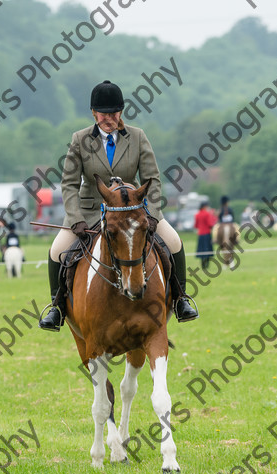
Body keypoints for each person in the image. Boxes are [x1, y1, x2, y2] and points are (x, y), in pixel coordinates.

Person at [38, 80, 198, 331]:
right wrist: (75, 217)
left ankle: (180, 300)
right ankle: (57, 307)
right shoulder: (80, 139)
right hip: (90, 211)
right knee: (57, 251)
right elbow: (68, 184)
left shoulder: (137, 137)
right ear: (94, 113)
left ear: (120, 112)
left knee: (175, 241)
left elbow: (152, 179)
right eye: (103, 114)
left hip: (132, 211)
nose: (108, 118)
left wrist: (153, 214)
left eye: (113, 113)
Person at [194, 201, 217, 268]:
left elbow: (196, 226)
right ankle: (207, 264)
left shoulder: (197, 214)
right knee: (207, 249)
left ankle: (202, 264)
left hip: (200, 234)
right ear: (205, 207)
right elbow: (210, 224)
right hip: (207, 234)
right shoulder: (207, 214)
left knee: (202, 250)